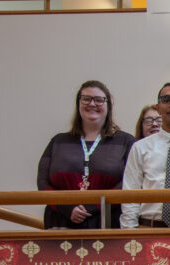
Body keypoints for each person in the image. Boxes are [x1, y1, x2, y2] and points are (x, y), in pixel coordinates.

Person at [37, 80, 135, 229]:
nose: (92, 104)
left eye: (99, 100)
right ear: (78, 103)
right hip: (61, 221)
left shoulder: (125, 142)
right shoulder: (58, 141)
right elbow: (43, 182)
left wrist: (92, 206)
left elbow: (129, 182)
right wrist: (68, 208)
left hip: (107, 221)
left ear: (108, 105)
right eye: (86, 99)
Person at [120, 83, 170, 228]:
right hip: (149, 228)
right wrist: (129, 233)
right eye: (166, 100)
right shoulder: (140, 147)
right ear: (158, 108)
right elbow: (130, 195)